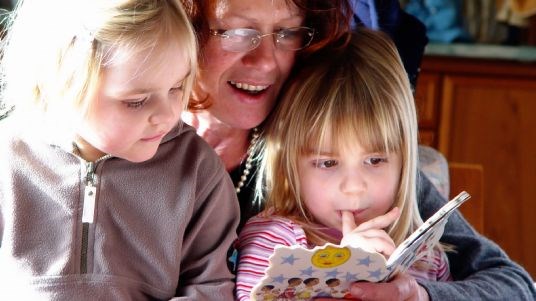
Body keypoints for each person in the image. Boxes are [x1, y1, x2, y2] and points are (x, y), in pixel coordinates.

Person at [179, 0, 536, 300]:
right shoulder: (140, 147)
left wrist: (419, 294)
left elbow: (513, 285)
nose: (267, 61)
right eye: (239, 32)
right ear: (184, 30)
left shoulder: (331, 131)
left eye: (288, 32)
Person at [0, 0, 239, 299]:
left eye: (177, 87)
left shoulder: (196, 169)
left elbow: (211, 287)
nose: (167, 115)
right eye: (136, 101)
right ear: (59, 85)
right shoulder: (7, 160)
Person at [235, 28, 452, 300]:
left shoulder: (426, 258)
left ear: (404, 163)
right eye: (327, 163)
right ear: (290, 166)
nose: (353, 187)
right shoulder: (276, 242)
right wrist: (344, 268)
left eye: (374, 160)